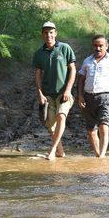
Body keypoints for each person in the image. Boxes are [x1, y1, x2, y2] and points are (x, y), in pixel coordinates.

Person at [77, 34, 109, 158]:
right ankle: (97, 155)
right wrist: (80, 96)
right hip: (88, 98)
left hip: (106, 98)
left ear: (106, 46)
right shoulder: (87, 61)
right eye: (95, 45)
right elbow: (81, 79)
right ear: (92, 46)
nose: (98, 48)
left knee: (104, 126)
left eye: (101, 46)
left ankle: (102, 156)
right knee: (91, 130)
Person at [32, 21, 76, 160]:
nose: (49, 35)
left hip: (64, 93)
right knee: (50, 125)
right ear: (42, 35)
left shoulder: (65, 48)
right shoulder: (39, 53)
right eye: (46, 33)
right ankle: (60, 151)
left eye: (51, 32)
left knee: (61, 116)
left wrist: (68, 90)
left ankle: (52, 151)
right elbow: (38, 74)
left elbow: (73, 69)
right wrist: (40, 93)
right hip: (48, 95)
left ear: (55, 33)